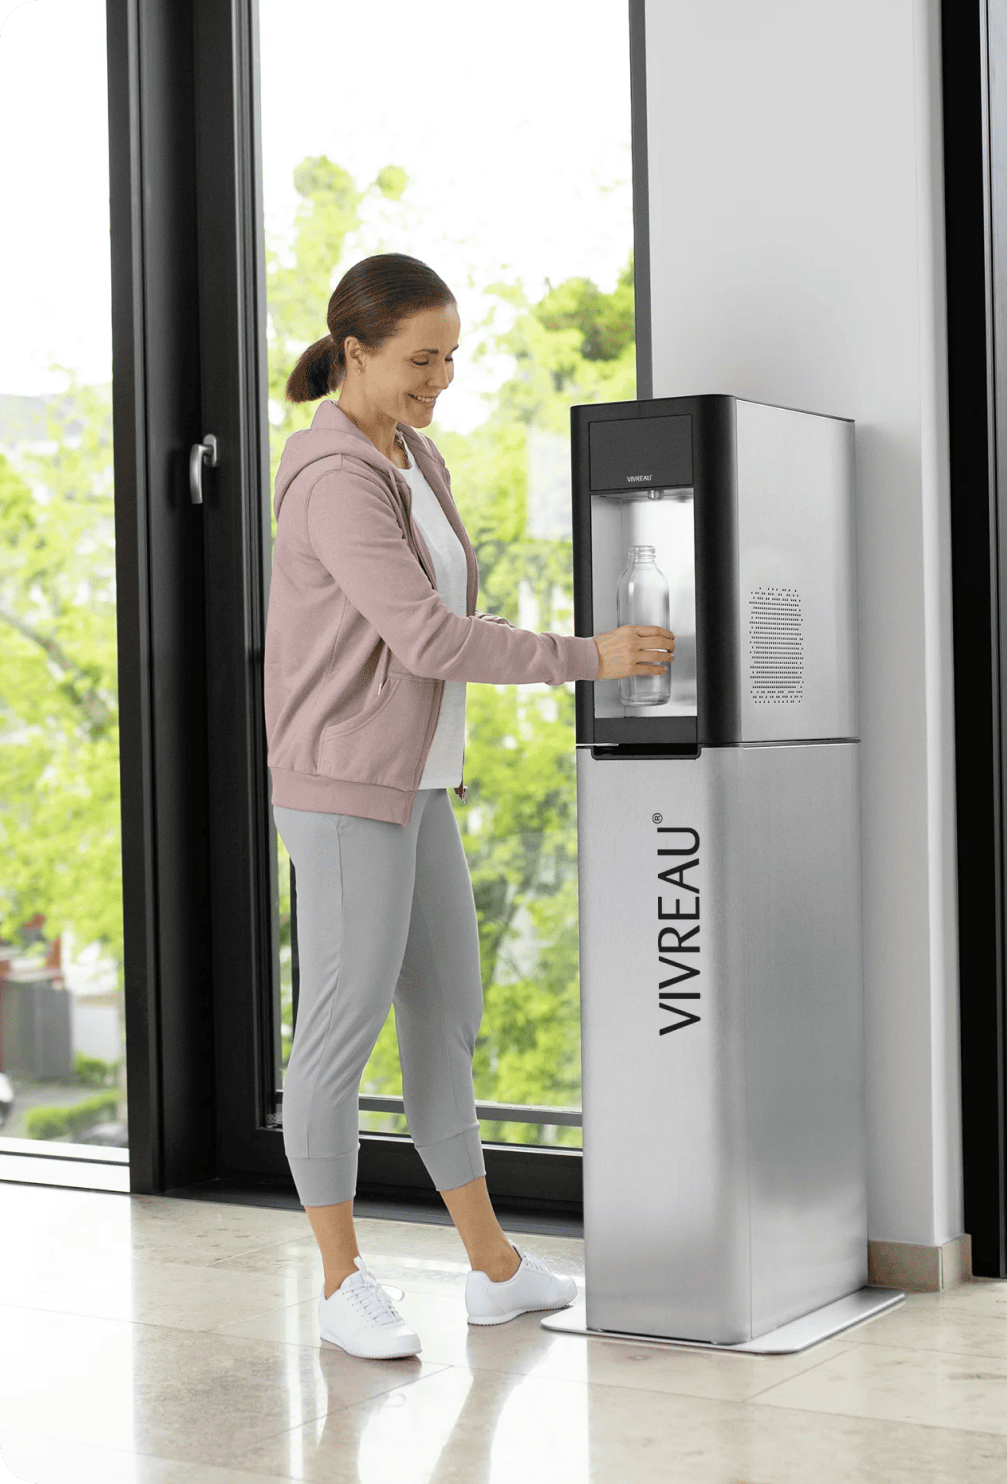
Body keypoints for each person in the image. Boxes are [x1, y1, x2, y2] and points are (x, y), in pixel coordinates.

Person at [264, 252, 672, 1359]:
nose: (439, 377)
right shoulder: (334, 474)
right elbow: (429, 636)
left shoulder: (413, 454)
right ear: (353, 352)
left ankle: (491, 1267)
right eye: (418, 358)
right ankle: (341, 1281)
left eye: (450, 356)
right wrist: (591, 657)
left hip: (419, 781)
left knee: (447, 1017)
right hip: (348, 789)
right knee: (338, 1034)